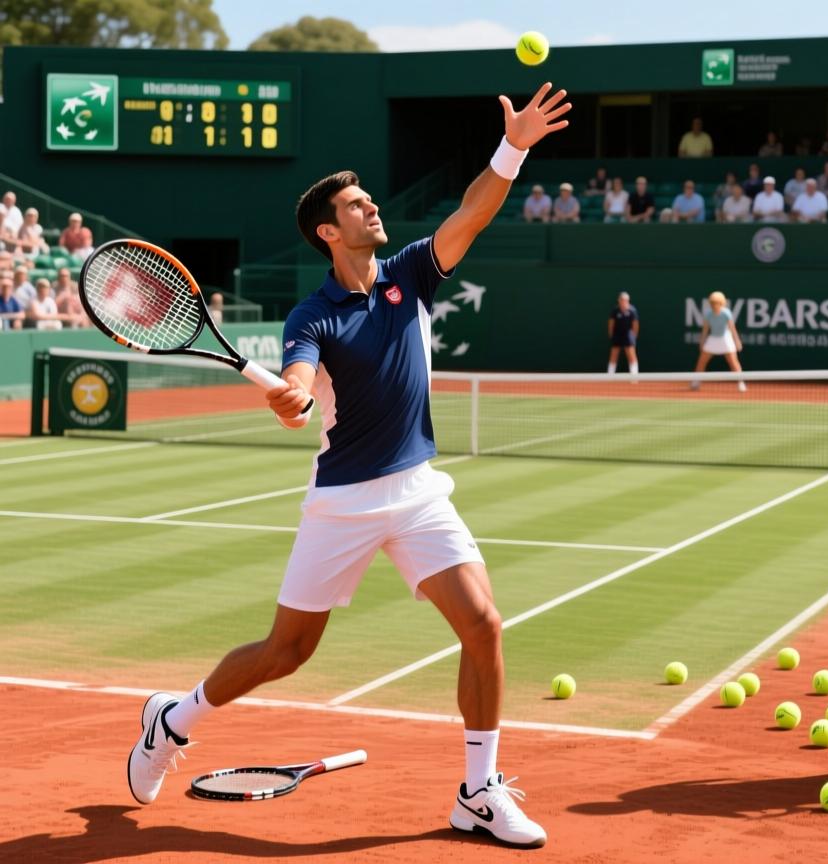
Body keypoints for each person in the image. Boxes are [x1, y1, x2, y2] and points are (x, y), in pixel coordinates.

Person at [124, 81, 572, 849]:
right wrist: (292, 397)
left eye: (369, 201)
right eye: (357, 205)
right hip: (344, 501)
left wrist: (514, 147)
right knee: (285, 653)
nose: (371, 208)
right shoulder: (313, 315)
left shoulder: (409, 275)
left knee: (485, 625)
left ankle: (478, 790)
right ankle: (175, 718)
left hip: (419, 490)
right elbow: (297, 377)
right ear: (330, 233)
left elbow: (471, 211)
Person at [690, 291, 745, 392]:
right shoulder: (708, 314)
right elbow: (705, 329)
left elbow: (732, 328)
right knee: (701, 362)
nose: (714, 305)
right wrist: (702, 342)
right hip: (713, 340)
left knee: (733, 363)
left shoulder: (726, 313)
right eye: (712, 303)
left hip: (725, 339)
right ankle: (696, 381)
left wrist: (737, 341)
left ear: (722, 303)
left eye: (717, 303)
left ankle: (740, 382)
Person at [606, 291, 639, 375]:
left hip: (628, 335)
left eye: (625, 300)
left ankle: (634, 377)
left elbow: (635, 325)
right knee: (613, 356)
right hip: (617, 335)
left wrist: (633, 336)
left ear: (628, 300)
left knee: (631, 356)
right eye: (621, 299)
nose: (623, 301)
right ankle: (610, 377)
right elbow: (611, 323)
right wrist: (611, 334)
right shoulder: (615, 311)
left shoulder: (632, 311)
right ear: (619, 300)